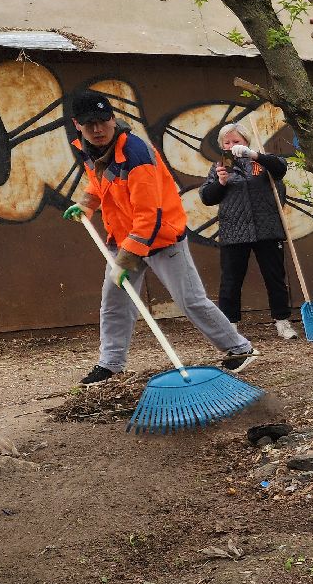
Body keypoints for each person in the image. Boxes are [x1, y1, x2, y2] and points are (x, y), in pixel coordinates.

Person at [61, 90, 258, 384]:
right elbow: (101, 182)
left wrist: (125, 260)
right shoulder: (89, 149)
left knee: (190, 300)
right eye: (90, 124)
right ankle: (110, 364)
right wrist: (88, 203)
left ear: (112, 118)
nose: (98, 129)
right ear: (78, 125)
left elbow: (148, 213)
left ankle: (239, 349)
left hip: (162, 236)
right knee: (114, 303)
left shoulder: (136, 154)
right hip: (123, 237)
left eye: (102, 121)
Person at [199, 123, 298, 341]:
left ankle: (282, 321)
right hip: (234, 231)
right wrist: (221, 183)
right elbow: (207, 197)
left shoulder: (261, 162)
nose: (231, 146)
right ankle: (230, 326)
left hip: (267, 229)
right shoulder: (220, 167)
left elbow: (280, 168)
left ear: (245, 141)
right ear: (221, 145)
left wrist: (253, 155)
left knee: (275, 278)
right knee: (231, 280)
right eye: (227, 142)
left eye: (236, 141)